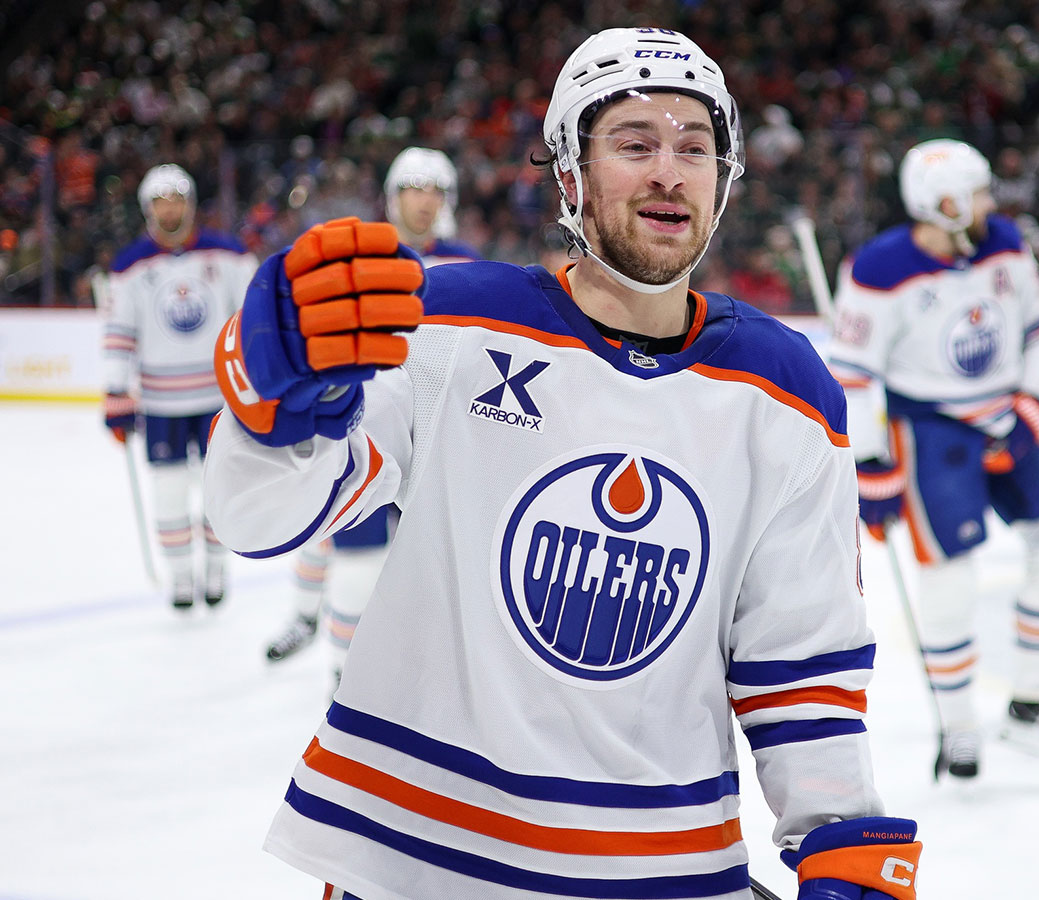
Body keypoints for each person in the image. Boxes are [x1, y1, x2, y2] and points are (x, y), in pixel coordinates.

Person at [203, 28, 921, 900]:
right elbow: (257, 519)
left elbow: (800, 661)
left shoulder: (787, 391)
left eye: (696, 148)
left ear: (723, 184)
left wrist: (841, 844)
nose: (670, 170)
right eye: (634, 143)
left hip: (659, 869)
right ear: (570, 175)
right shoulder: (448, 326)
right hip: (409, 859)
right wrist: (274, 409)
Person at [826, 139, 1039, 781]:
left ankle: (1030, 704)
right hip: (932, 429)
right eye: (977, 193)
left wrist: (1032, 404)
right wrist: (871, 463)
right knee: (949, 576)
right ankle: (960, 729)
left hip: (1005, 418)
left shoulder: (1002, 241)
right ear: (945, 204)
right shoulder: (882, 268)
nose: (989, 203)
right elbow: (854, 374)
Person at [265, 147, 481, 682]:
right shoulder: (363, 255)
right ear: (393, 195)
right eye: (413, 188)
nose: (424, 201)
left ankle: (355, 655)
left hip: (430, 430)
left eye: (434, 190)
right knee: (333, 530)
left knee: (396, 555)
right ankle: (325, 645)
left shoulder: (471, 266)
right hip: (359, 418)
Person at [103, 164, 258, 610]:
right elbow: (119, 330)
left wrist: (257, 380)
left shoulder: (227, 255)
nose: (169, 210)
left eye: (177, 199)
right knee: (169, 494)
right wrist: (116, 392)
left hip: (218, 399)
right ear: (147, 208)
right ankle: (182, 579)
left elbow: (251, 320)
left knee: (217, 490)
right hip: (160, 402)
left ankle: (215, 568)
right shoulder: (130, 265)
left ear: (190, 203)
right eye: (160, 202)